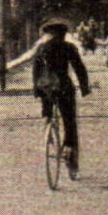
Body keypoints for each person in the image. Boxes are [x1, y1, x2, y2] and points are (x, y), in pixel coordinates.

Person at [31, 22, 90, 178]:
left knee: (47, 104)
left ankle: (47, 121)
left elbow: (36, 71)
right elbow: (79, 68)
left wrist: (36, 89)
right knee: (69, 121)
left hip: (46, 88)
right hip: (63, 88)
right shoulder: (68, 47)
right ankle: (70, 153)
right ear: (63, 34)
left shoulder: (41, 48)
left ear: (48, 34)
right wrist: (84, 88)